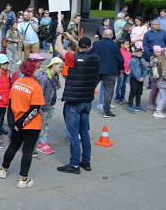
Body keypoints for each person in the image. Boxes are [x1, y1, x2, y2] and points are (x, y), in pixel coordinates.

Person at [54, 27, 100, 175]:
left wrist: (60, 34)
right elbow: (84, 48)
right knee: (84, 133)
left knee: (73, 134)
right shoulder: (96, 58)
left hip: (74, 100)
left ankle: (74, 164)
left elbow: (58, 48)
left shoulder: (74, 59)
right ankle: (86, 161)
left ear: (79, 47)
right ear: (91, 47)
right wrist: (72, 38)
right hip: (87, 100)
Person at [0, 58, 45, 189]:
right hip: (31, 125)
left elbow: (11, 104)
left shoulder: (17, 83)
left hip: (17, 123)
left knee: (13, 146)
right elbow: (34, 110)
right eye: (38, 68)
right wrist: (21, 123)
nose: (41, 70)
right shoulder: (36, 87)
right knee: (27, 151)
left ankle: (3, 169)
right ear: (31, 70)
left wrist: (13, 123)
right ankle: (23, 179)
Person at [92, 29, 124, 118]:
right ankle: (106, 110)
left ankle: (84, 104)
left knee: (90, 88)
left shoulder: (96, 44)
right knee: (108, 90)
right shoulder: (115, 45)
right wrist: (120, 69)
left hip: (97, 69)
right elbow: (120, 59)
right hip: (110, 70)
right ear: (112, 36)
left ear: (102, 35)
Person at [36, 57, 62, 155]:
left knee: (46, 125)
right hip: (44, 106)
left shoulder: (55, 77)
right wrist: (41, 105)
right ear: (54, 65)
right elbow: (40, 92)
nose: (61, 69)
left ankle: (44, 142)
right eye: (60, 67)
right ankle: (40, 144)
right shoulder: (44, 77)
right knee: (41, 125)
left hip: (51, 105)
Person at [151, 46, 166, 119]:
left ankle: (159, 109)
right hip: (164, 83)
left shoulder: (157, 61)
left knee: (161, 96)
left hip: (159, 81)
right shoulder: (164, 63)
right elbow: (165, 75)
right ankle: (158, 110)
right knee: (165, 96)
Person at [127, 46, 148, 114]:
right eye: (137, 52)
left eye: (140, 52)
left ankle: (138, 105)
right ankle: (130, 105)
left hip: (141, 79)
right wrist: (138, 78)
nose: (139, 53)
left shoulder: (142, 60)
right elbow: (132, 70)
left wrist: (143, 77)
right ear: (134, 52)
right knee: (133, 92)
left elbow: (145, 69)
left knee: (139, 92)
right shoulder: (133, 60)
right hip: (134, 79)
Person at [114, 39, 132, 105]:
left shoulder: (128, 52)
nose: (128, 45)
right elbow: (120, 62)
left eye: (128, 44)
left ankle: (122, 97)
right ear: (122, 45)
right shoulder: (120, 51)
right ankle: (118, 97)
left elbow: (129, 61)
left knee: (124, 85)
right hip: (122, 70)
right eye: (126, 44)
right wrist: (122, 70)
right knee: (120, 84)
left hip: (128, 70)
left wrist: (129, 69)